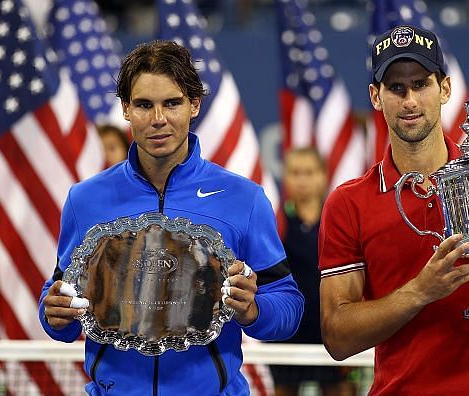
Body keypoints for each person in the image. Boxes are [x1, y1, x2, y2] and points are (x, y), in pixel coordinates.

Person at [38, 40, 304, 396]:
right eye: (145, 105)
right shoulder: (84, 200)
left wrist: (253, 310)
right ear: (126, 109)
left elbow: (289, 306)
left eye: (172, 103)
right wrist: (53, 314)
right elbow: (62, 297)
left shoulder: (245, 199)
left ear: (194, 105)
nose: (158, 119)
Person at [318, 25, 469, 395]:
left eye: (421, 84)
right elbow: (337, 337)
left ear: (444, 89)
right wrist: (420, 291)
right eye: (396, 88)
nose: (410, 100)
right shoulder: (348, 203)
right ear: (375, 96)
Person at [270, 147, 356, 396]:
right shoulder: (277, 223)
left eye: (309, 172)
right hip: (288, 331)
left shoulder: (339, 221)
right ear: (285, 177)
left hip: (331, 328)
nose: (303, 180)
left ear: (323, 176)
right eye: (295, 173)